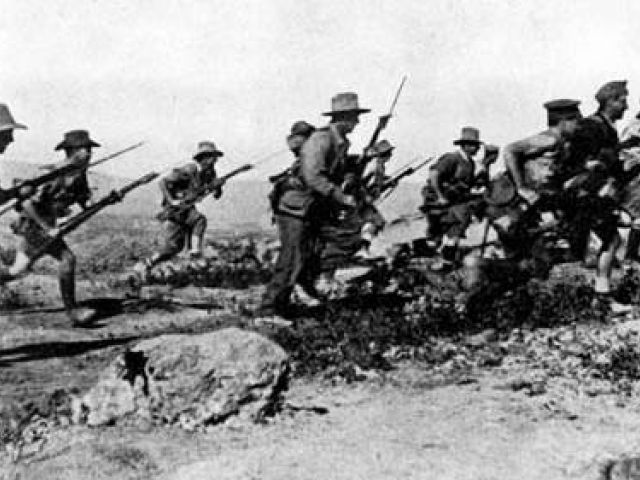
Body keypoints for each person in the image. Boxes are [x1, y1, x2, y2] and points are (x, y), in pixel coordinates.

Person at [258, 92, 366, 319]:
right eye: (354, 117)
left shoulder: (340, 142)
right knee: (291, 259)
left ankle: (304, 287)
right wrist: (340, 196)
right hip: (296, 208)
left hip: (314, 207)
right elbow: (313, 176)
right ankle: (269, 310)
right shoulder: (321, 140)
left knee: (344, 240)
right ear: (343, 118)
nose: (357, 122)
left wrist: (349, 174)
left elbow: (336, 169)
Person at [3, 130, 99, 325]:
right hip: (32, 225)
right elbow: (27, 204)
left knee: (17, 270)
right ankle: (73, 312)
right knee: (67, 258)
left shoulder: (79, 174)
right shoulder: (52, 174)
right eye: (84, 149)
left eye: (90, 149)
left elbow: (82, 198)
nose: (89, 153)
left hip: (45, 226)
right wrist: (46, 227)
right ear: (72, 152)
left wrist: (101, 201)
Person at [560, 81, 634, 310]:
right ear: (611, 101)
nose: (626, 106)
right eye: (623, 101)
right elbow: (579, 161)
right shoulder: (593, 127)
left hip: (597, 194)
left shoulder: (604, 126)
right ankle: (601, 298)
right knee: (610, 240)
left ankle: (600, 296)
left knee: (609, 240)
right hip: (590, 194)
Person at [134, 141, 224, 277]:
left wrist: (218, 187)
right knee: (196, 223)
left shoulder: (210, 173)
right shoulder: (189, 169)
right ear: (203, 158)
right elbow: (163, 182)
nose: (215, 160)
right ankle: (194, 254)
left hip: (187, 207)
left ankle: (147, 264)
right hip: (175, 209)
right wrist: (172, 201)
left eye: (215, 157)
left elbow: (217, 195)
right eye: (212, 157)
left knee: (174, 247)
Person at [421, 127, 484, 270]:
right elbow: (434, 174)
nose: (476, 148)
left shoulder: (471, 163)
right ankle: (425, 257)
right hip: (438, 202)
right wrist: (440, 196)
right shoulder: (451, 158)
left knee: (457, 229)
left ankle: (446, 263)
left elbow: (467, 185)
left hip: (456, 202)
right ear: (465, 145)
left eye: (477, 145)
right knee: (436, 235)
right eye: (474, 145)